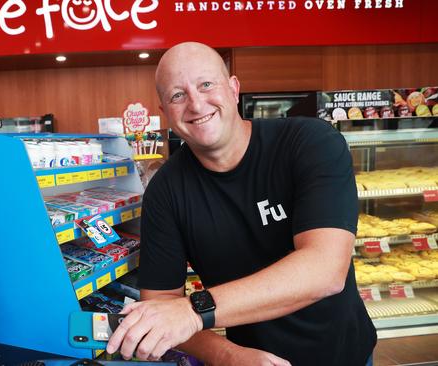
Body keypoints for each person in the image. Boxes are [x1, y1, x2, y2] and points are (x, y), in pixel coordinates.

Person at [105, 42, 377, 366]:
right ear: (165, 111)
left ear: (233, 89)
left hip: (346, 355)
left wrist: (194, 310)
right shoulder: (166, 190)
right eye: (178, 95)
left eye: (206, 84)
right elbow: (161, 302)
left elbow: (325, 269)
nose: (195, 103)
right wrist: (228, 356)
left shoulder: (309, 142)